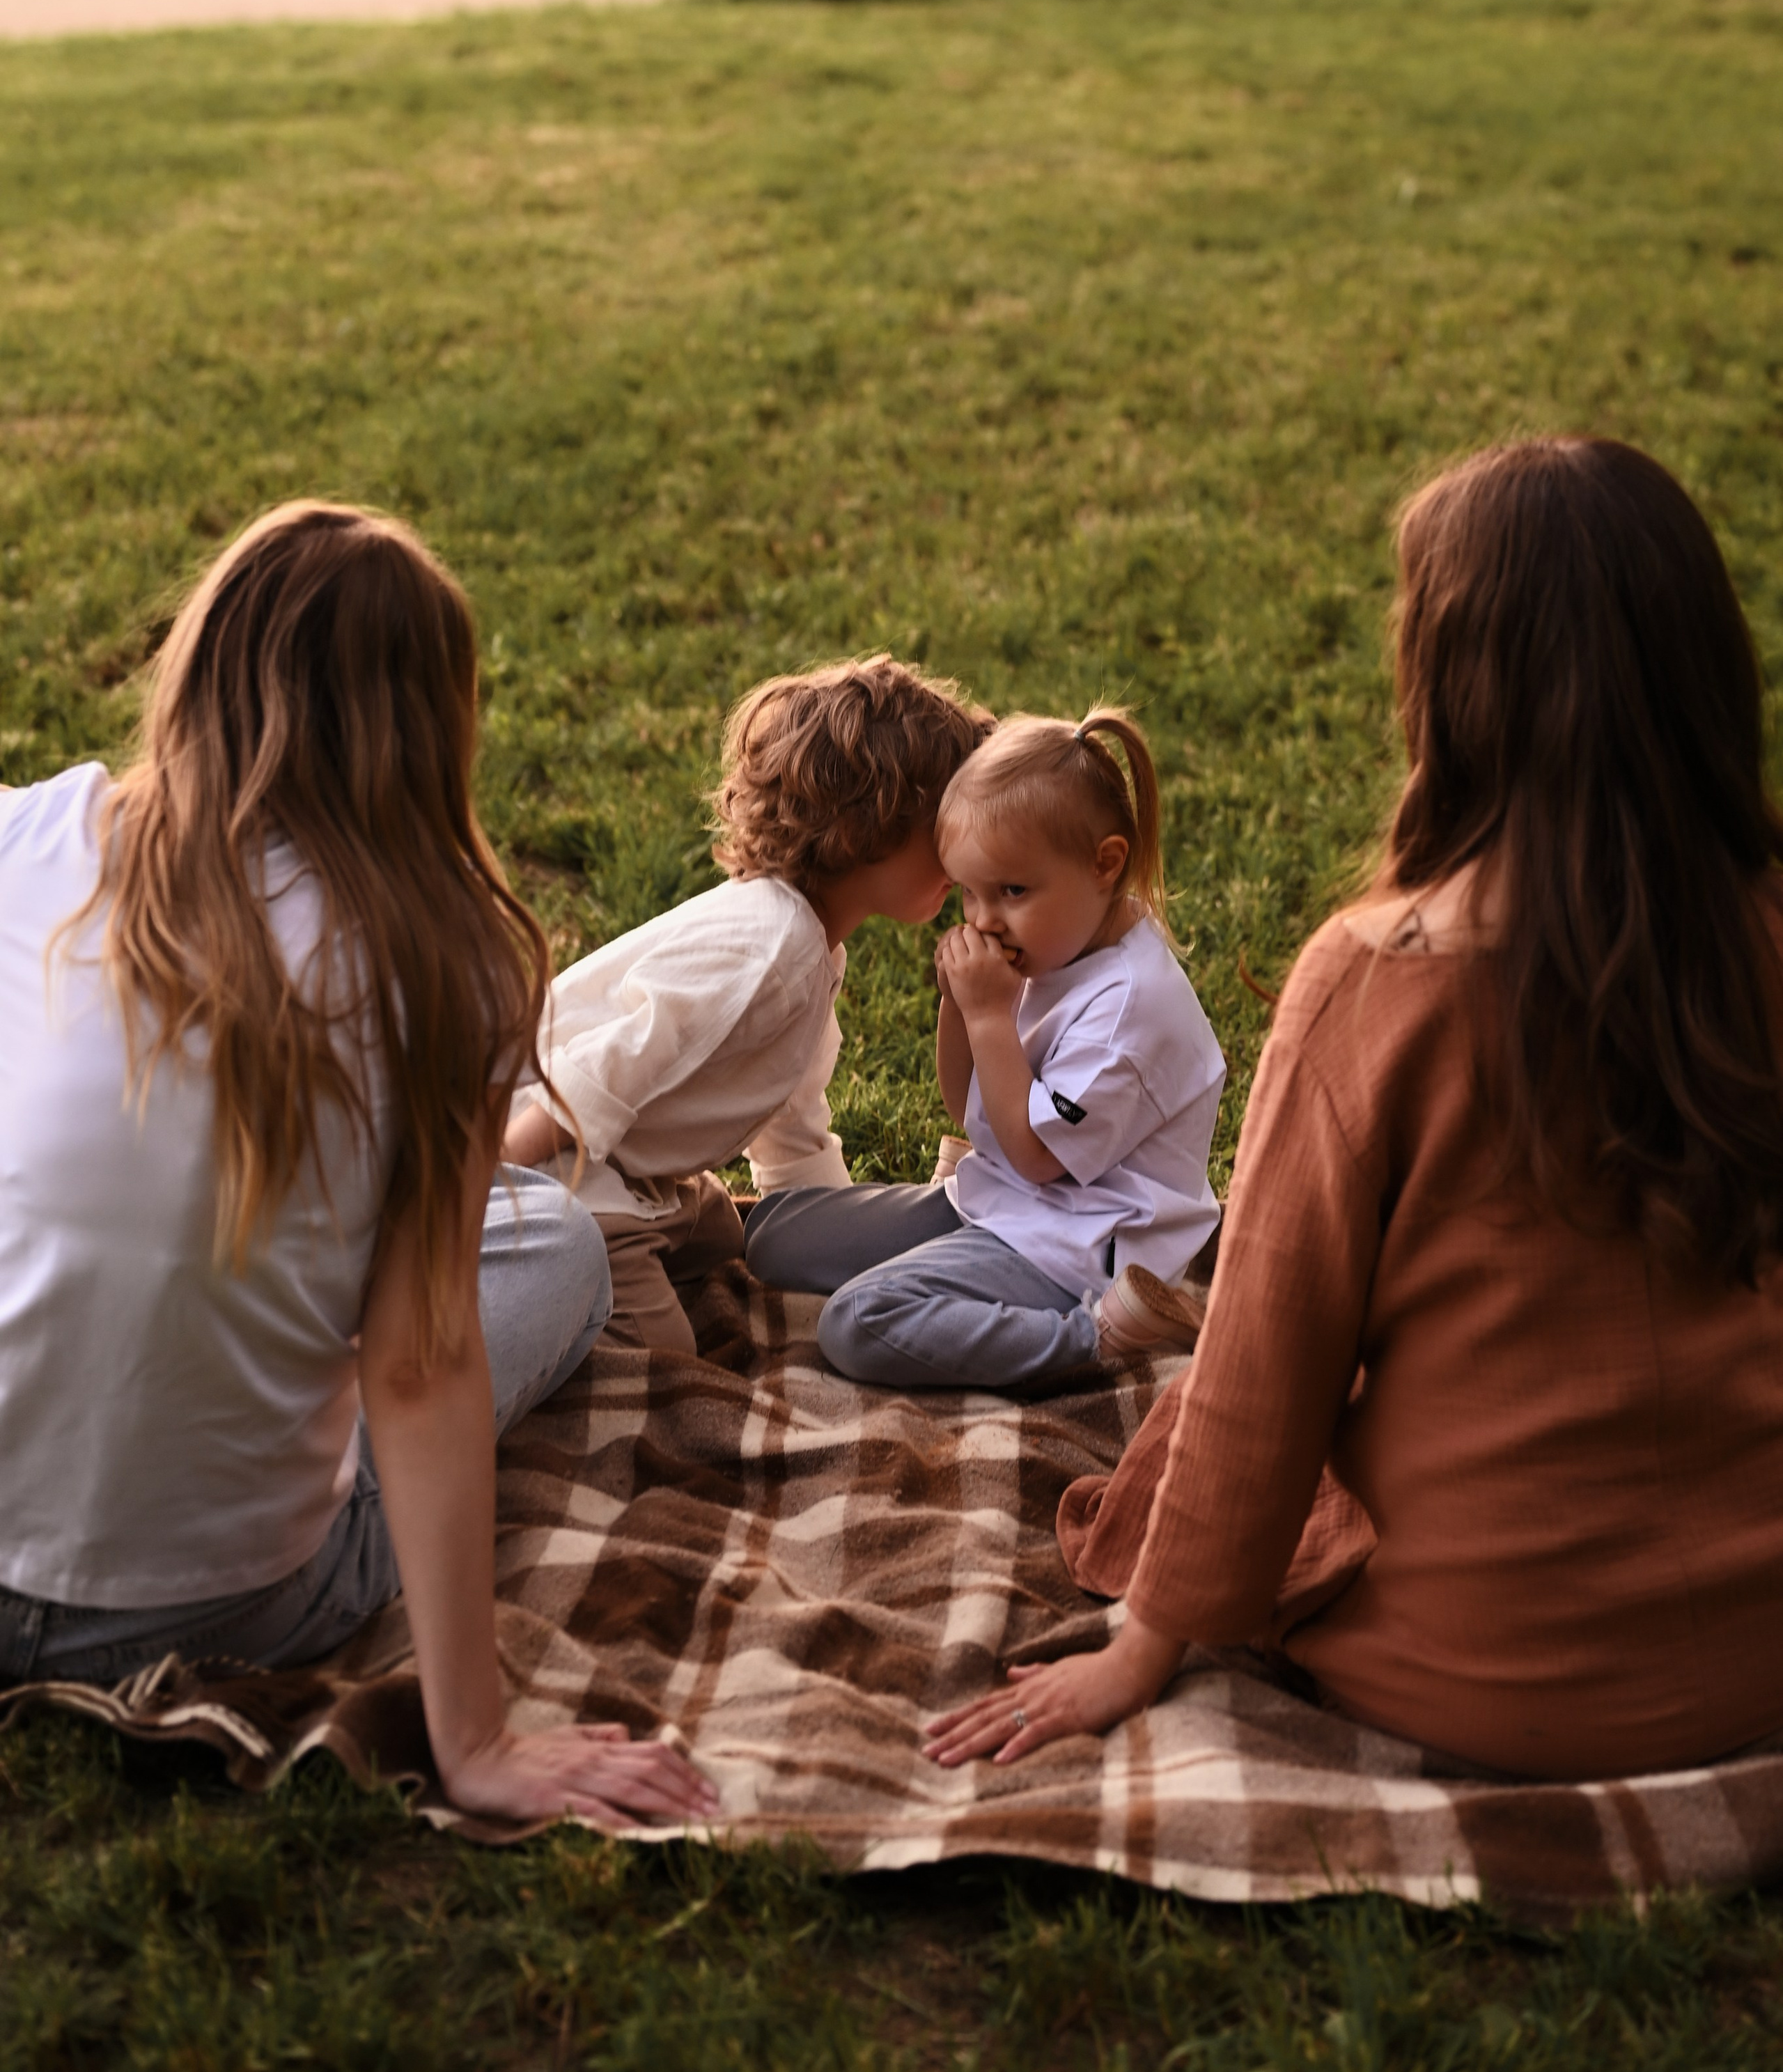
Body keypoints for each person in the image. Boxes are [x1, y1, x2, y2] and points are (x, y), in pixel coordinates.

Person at [928, 439, 1783, 1786]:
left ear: (1446, 682)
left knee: (1196, 1423)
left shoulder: (1381, 980)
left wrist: (1146, 1640)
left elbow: (1265, 1364)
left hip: (1482, 1673)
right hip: (1756, 1651)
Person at [0, 504, 715, 1832]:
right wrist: (477, 1737)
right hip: (214, 1605)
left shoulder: (29, 841)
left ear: (198, 663)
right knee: (551, 1242)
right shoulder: (439, 965)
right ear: (431, 721)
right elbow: (418, 1364)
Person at [501, 657, 993, 1355]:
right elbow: (604, 1068)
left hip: (638, 1170)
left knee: (727, 1241)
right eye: (944, 826)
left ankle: (624, 1242)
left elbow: (791, 1115)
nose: (962, 852)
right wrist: (491, 1184)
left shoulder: (813, 946)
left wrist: (833, 1247)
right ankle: (524, 1277)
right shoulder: (771, 944)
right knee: (663, 1356)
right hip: (550, 1153)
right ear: (871, 828)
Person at [745, 711, 1225, 1393]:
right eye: (969, 892)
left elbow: (1033, 1155)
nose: (981, 919)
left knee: (858, 1321)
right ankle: (954, 1285)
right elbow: (966, 1104)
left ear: (1104, 864)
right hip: (1003, 1198)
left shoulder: (1129, 1014)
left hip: (1076, 1247)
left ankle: (1097, 1336)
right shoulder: (1058, 938)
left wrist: (988, 1012)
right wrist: (958, 1005)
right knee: (773, 1233)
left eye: (1012, 892)